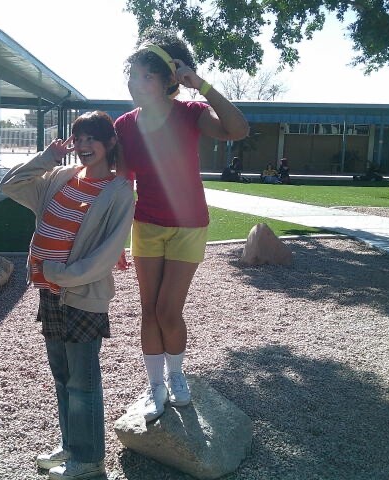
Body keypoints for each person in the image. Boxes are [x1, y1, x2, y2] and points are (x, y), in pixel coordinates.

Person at [115, 27, 249, 422]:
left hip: (188, 226)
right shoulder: (125, 125)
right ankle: (155, 386)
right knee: (148, 310)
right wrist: (115, 239)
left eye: (147, 76)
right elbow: (122, 183)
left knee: (168, 310)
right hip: (147, 225)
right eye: (133, 75)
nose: (135, 83)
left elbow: (238, 130)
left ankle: (176, 376)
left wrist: (201, 85)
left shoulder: (190, 114)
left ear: (168, 80)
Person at [0, 111, 135, 480]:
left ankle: (89, 461)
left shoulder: (119, 191)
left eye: (92, 138)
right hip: (50, 293)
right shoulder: (60, 176)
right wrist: (47, 157)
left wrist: (59, 273)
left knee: (83, 381)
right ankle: (73, 446)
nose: (84, 145)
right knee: (62, 375)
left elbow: (107, 254)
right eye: (79, 138)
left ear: (109, 143)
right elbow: (10, 185)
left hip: (82, 295)